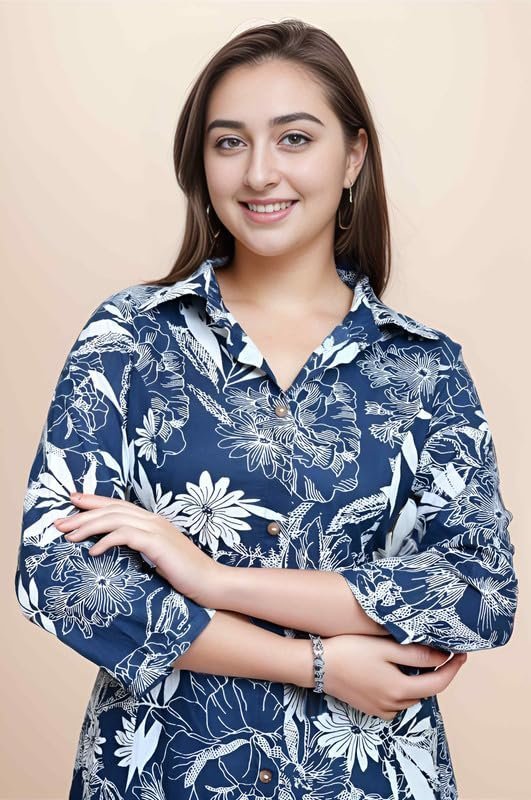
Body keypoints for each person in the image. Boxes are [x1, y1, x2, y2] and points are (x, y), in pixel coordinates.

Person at [15, 18, 518, 800]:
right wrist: (312, 664)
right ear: (200, 163)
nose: (258, 173)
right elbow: (58, 576)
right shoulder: (131, 339)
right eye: (229, 142)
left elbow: (478, 595)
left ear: (352, 156)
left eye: (294, 139)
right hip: (159, 778)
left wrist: (214, 581)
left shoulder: (424, 369)